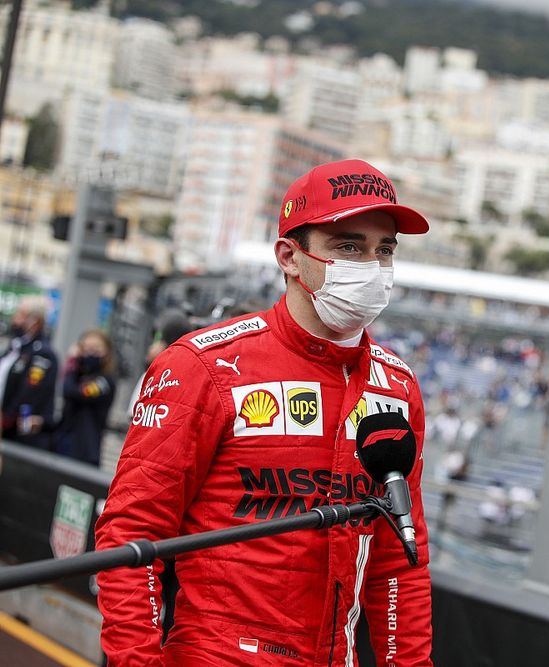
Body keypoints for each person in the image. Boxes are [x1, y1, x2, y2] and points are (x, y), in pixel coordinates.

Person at [96, 159, 434, 665]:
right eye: (349, 247)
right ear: (290, 257)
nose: (372, 266)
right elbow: (131, 532)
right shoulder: (204, 366)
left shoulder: (399, 387)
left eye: (384, 250)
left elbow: (398, 564)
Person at [0, 295, 58, 448]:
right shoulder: (16, 346)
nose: (15, 319)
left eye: (21, 315)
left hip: (19, 434)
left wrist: (6, 417)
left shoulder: (43, 353)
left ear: (35, 321)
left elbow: (29, 390)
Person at [52, 329, 117, 466]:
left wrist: (72, 362)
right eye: (86, 348)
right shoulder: (78, 376)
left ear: (106, 353)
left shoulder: (105, 382)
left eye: (96, 349)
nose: (90, 353)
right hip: (63, 442)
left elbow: (72, 392)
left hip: (85, 452)